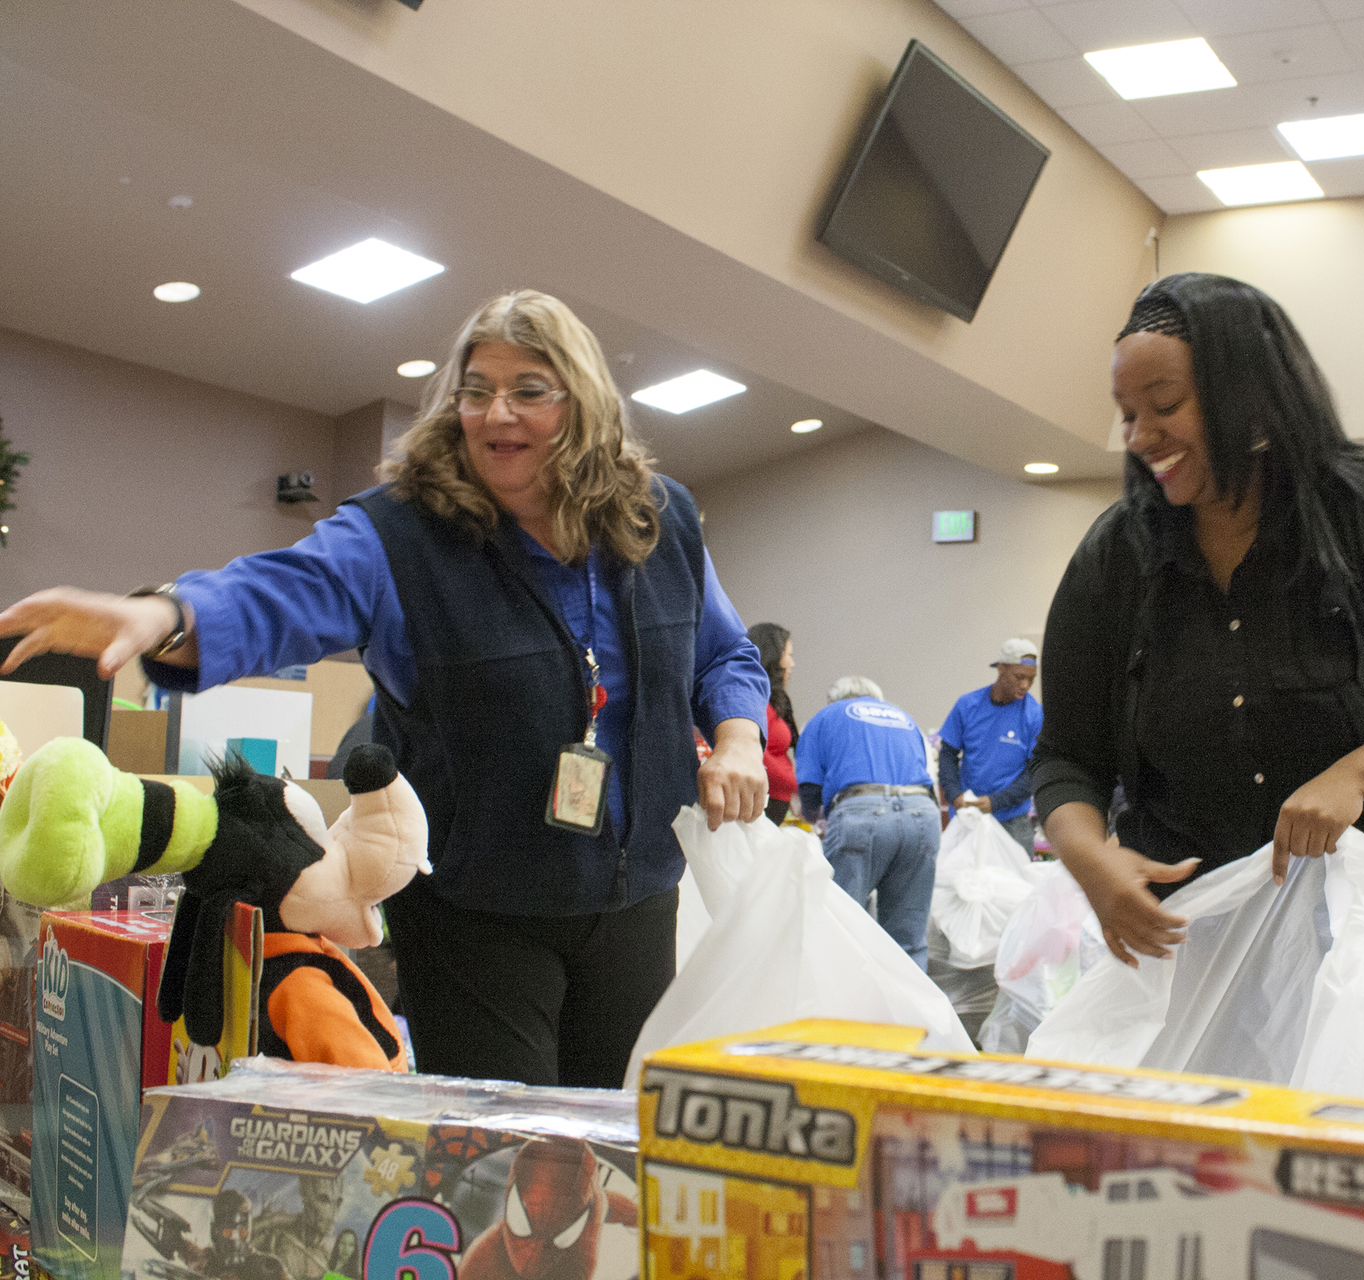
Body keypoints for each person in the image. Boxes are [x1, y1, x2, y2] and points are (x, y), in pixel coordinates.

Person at [0, 290, 769, 1088]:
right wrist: (166, 612)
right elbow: (285, 589)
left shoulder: (659, 518)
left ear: (585, 404)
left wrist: (740, 737)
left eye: (529, 390)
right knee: (501, 1150)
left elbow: (723, 654)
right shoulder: (401, 533)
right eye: (477, 391)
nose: (496, 413)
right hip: (477, 912)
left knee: (614, 1132)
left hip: (636, 897)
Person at [1030, 273, 1364, 1041]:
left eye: (1166, 407)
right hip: (1205, 917)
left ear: (1248, 393)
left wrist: (1355, 776)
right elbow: (1067, 754)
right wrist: (1087, 856)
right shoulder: (1115, 560)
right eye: (1128, 415)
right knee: (1222, 1149)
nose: (1139, 436)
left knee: (1350, 1137)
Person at [794, 677, 941, 969]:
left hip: (861, 811)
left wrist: (817, 823)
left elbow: (809, 790)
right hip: (923, 813)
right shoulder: (904, 718)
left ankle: (842, 1010)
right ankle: (909, 1013)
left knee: (841, 929)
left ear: (836, 700)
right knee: (908, 941)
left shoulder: (826, 716)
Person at [937, 639, 1044, 853]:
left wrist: (996, 802)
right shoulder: (968, 705)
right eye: (1019, 677)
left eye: (1031, 679)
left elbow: (1035, 770)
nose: (1025, 685)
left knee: (1016, 884)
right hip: (968, 818)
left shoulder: (1034, 715)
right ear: (1001, 668)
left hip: (1012, 821)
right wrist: (955, 795)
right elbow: (948, 755)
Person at [748, 622, 799, 825]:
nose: (792, 664)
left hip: (778, 802)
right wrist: (793, 784)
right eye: (788, 655)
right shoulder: (753, 700)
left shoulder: (777, 701)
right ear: (773, 656)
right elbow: (756, 751)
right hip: (761, 804)